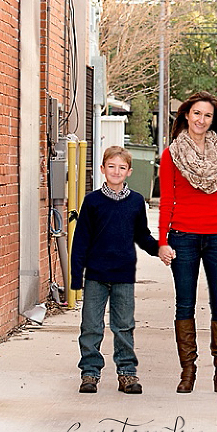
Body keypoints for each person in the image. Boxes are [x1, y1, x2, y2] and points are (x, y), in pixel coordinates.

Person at [158, 92, 217, 395]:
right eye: (196, 113)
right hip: (182, 237)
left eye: (207, 115)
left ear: (213, 120)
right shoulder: (171, 154)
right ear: (187, 115)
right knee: (184, 304)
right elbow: (167, 200)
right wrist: (162, 241)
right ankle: (188, 372)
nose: (201, 119)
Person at [71, 145, 161, 395]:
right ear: (102, 169)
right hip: (96, 275)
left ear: (129, 171)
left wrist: (159, 249)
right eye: (111, 166)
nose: (116, 171)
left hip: (123, 275)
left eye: (122, 167)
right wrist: (76, 276)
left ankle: (127, 373)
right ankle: (90, 373)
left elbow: (142, 235)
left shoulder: (136, 202)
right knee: (91, 326)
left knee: (123, 326)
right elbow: (81, 240)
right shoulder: (92, 202)